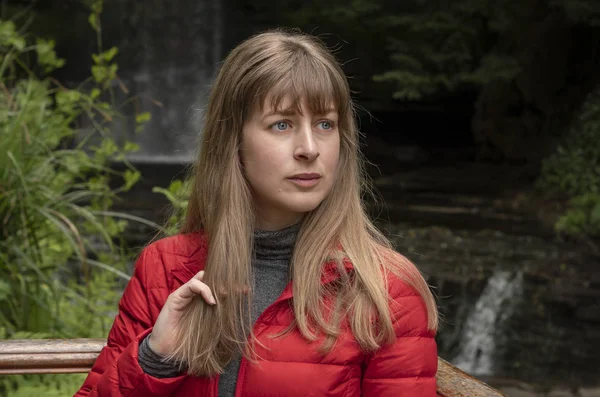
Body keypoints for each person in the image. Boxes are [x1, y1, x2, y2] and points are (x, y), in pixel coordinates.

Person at [74, 29, 438, 397]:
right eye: (282, 124)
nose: (309, 148)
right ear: (233, 141)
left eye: (325, 124)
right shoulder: (164, 270)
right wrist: (155, 358)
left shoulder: (386, 292)